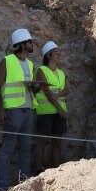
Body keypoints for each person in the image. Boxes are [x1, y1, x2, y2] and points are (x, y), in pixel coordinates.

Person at [0, 28, 37, 191]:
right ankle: (3, 183)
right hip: (13, 110)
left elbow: (30, 89)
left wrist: (37, 87)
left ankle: (24, 184)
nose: (32, 45)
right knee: (8, 148)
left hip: (28, 109)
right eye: (30, 42)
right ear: (22, 44)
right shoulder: (7, 61)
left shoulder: (31, 64)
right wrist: (0, 110)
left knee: (26, 148)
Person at [34, 41, 69, 174]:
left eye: (59, 51)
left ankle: (57, 171)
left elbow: (66, 90)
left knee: (57, 143)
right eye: (56, 52)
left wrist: (57, 95)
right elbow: (47, 93)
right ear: (48, 55)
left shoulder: (61, 72)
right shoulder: (41, 70)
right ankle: (38, 170)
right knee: (43, 141)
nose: (59, 54)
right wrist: (60, 109)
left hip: (59, 112)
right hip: (45, 112)